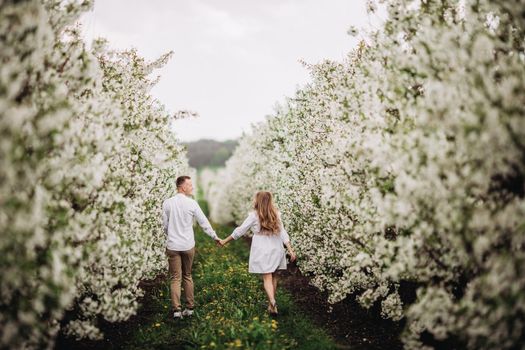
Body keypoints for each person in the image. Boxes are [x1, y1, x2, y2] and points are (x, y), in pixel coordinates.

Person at [219, 191, 296, 316]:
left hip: (262, 248)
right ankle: (271, 305)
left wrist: (225, 241)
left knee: (267, 277)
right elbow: (283, 233)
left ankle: (272, 301)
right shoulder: (276, 214)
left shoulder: (254, 216)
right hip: (276, 247)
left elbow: (240, 231)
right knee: (274, 276)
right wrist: (290, 250)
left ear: (258, 201)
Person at [162, 175, 221, 319]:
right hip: (188, 245)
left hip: (173, 245)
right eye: (189, 185)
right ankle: (190, 308)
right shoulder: (192, 203)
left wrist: (172, 235)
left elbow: (165, 226)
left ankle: (176, 310)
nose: (192, 187)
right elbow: (203, 222)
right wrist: (214, 236)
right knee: (187, 275)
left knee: (175, 278)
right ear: (182, 187)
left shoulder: (167, 203)